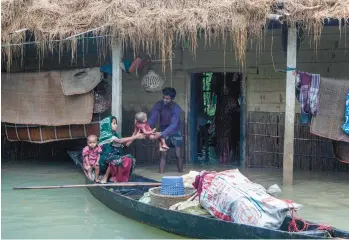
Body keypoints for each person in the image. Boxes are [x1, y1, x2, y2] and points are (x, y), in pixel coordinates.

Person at [98, 116, 145, 184]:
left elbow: (126, 144)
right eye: (114, 123)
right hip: (104, 159)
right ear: (107, 125)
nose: (116, 125)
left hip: (113, 156)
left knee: (129, 158)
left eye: (116, 123)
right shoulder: (106, 135)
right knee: (114, 158)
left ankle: (115, 177)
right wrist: (136, 136)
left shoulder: (115, 135)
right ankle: (105, 177)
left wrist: (135, 132)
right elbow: (120, 141)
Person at [148, 87, 183, 173]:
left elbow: (174, 125)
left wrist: (161, 134)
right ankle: (160, 175)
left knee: (178, 155)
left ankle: (181, 174)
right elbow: (152, 118)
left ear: (172, 99)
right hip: (163, 130)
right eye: (163, 97)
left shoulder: (176, 108)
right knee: (163, 154)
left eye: (167, 98)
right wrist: (147, 129)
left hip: (175, 131)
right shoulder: (159, 104)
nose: (164, 100)